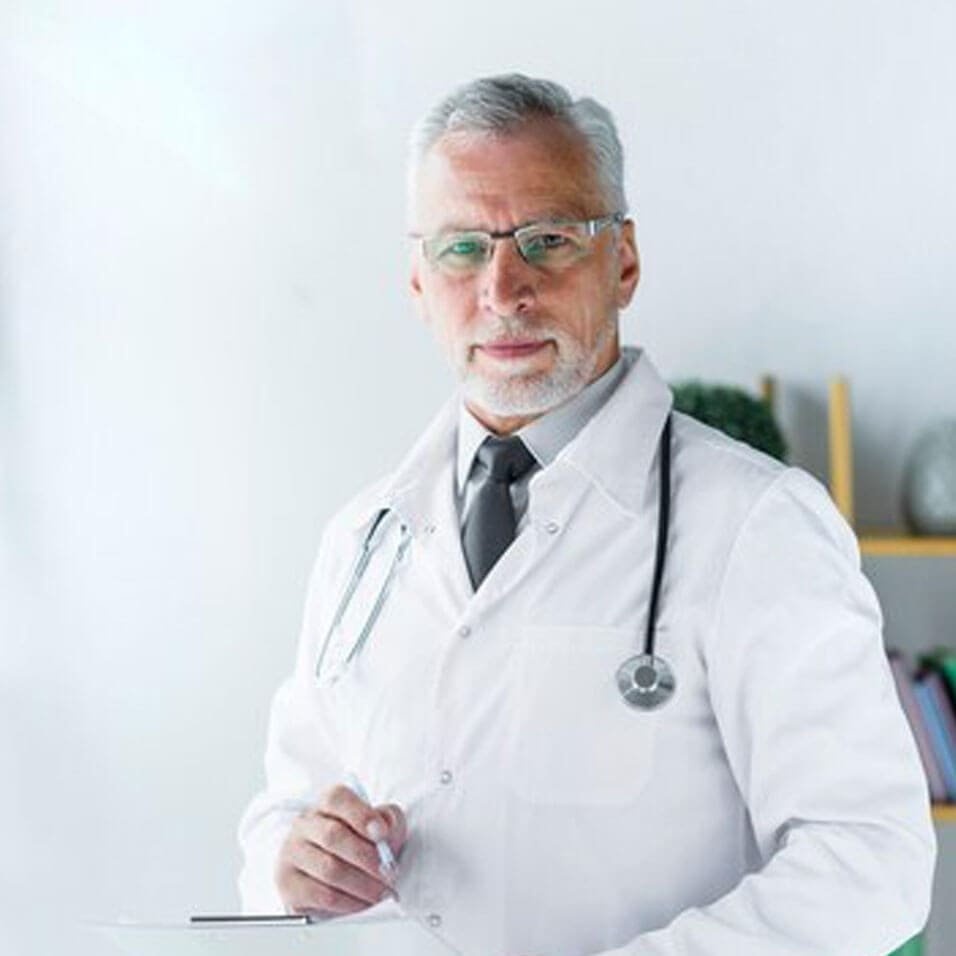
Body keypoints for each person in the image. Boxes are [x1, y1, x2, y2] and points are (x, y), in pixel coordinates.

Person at [238, 74, 936, 956]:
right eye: (462, 248)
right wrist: (292, 865)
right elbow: (285, 813)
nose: (503, 289)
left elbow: (871, 863)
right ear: (417, 280)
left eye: (549, 239)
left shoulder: (757, 525)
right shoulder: (363, 538)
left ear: (624, 263)